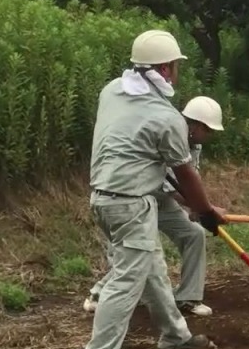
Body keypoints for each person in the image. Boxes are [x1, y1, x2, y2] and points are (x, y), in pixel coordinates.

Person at [77, 29, 224, 349]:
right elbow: (185, 174)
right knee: (127, 279)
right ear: (168, 68)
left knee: (152, 268)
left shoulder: (111, 91)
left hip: (103, 198)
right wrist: (205, 211)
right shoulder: (166, 117)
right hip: (130, 203)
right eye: (175, 66)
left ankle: (176, 335)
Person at [83, 96, 226, 317]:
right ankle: (99, 294)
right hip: (136, 198)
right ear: (196, 126)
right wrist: (207, 208)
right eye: (208, 130)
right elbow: (172, 187)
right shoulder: (168, 129)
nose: (210, 136)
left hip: (163, 199)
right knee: (138, 250)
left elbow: (185, 182)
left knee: (193, 234)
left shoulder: (194, 145)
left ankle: (188, 297)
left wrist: (198, 208)